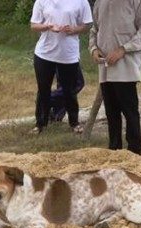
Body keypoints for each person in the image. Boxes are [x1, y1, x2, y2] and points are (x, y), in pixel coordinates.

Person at [89, 0, 141, 155]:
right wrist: (93, 49)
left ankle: (134, 152)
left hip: (126, 68)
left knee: (130, 112)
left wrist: (124, 49)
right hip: (105, 68)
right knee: (111, 114)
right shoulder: (100, 2)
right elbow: (94, 30)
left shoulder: (136, 1)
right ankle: (114, 151)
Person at [30, 0, 93, 134]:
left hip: (68, 53)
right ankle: (40, 124)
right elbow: (34, 25)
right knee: (43, 89)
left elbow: (87, 24)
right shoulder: (42, 1)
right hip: (45, 53)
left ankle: (74, 123)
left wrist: (74, 29)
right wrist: (47, 27)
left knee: (69, 89)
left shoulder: (81, 2)